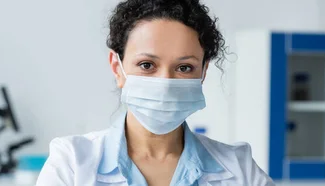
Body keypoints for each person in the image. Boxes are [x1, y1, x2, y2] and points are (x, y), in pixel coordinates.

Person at [35, 0, 274, 185]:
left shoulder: (239, 170)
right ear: (118, 68)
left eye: (184, 67)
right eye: (147, 65)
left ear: (203, 72)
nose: (166, 83)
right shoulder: (73, 164)